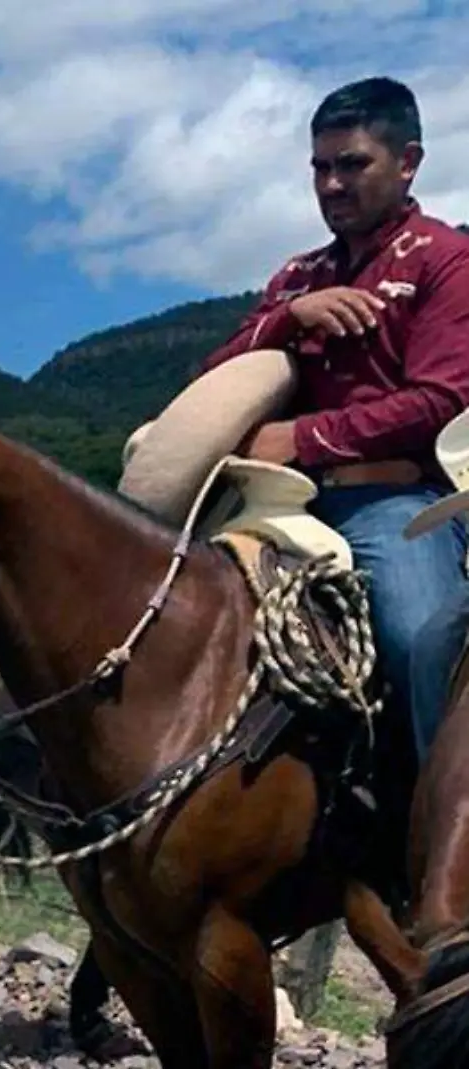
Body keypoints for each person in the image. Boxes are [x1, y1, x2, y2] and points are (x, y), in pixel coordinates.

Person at [195, 76, 469, 761]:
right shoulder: (295, 278)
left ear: (408, 163)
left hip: (401, 501)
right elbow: (211, 385)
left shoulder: (446, 260)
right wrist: (287, 320)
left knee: (420, 639)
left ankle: (439, 835)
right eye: (320, 167)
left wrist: (300, 437)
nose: (331, 185)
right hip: (273, 503)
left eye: (352, 164)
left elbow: (440, 400)